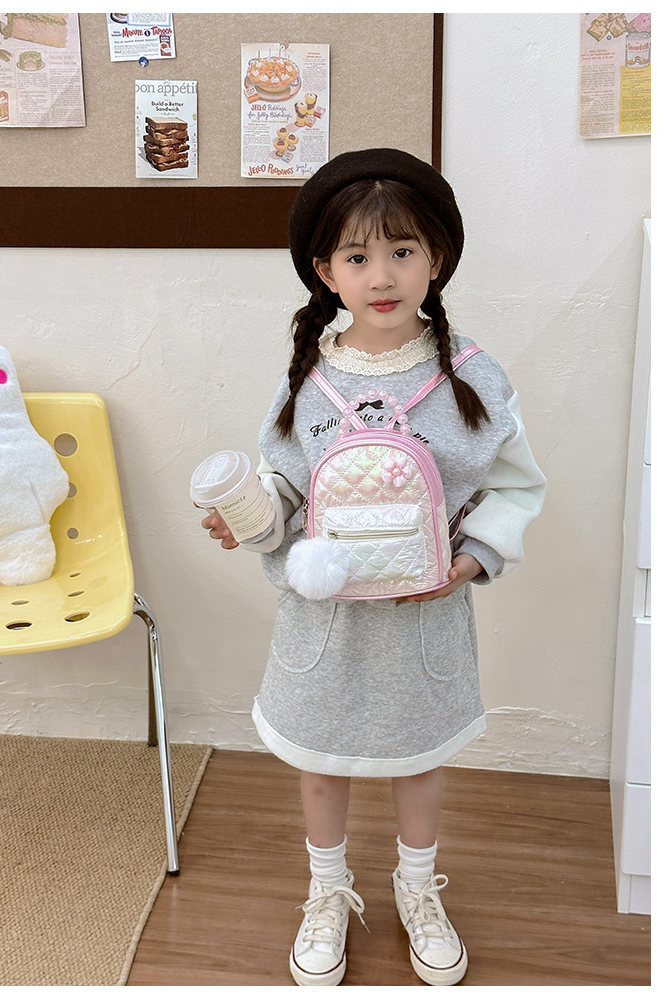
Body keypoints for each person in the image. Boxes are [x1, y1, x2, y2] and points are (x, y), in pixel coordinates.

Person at [199, 148, 546, 987]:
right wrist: (247, 515)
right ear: (325, 271)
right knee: (321, 757)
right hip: (325, 622)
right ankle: (327, 890)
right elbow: (284, 485)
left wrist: (474, 558)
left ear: (437, 258)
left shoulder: (472, 375)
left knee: (417, 757)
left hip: (424, 615)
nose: (381, 275)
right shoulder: (309, 376)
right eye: (356, 256)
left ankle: (418, 888)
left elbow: (515, 483)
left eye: (402, 251)